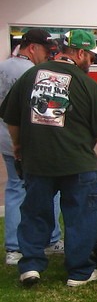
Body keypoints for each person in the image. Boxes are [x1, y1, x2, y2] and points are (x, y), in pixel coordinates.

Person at [0, 29, 97, 287]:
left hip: (37, 162)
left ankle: (31, 266)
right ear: (80, 53)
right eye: (91, 57)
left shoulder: (30, 76)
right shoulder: (88, 85)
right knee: (81, 216)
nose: (91, 62)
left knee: (34, 213)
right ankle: (79, 272)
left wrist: (18, 145)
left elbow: (11, 118)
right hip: (78, 163)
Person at [1, 28, 64, 266]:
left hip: (6, 137)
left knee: (15, 188)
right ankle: (50, 239)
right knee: (50, 187)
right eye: (46, 51)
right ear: (32, 48)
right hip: (29, 140)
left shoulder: (3, 67)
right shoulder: (35, 73)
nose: (48, 55)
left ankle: (14, 247)